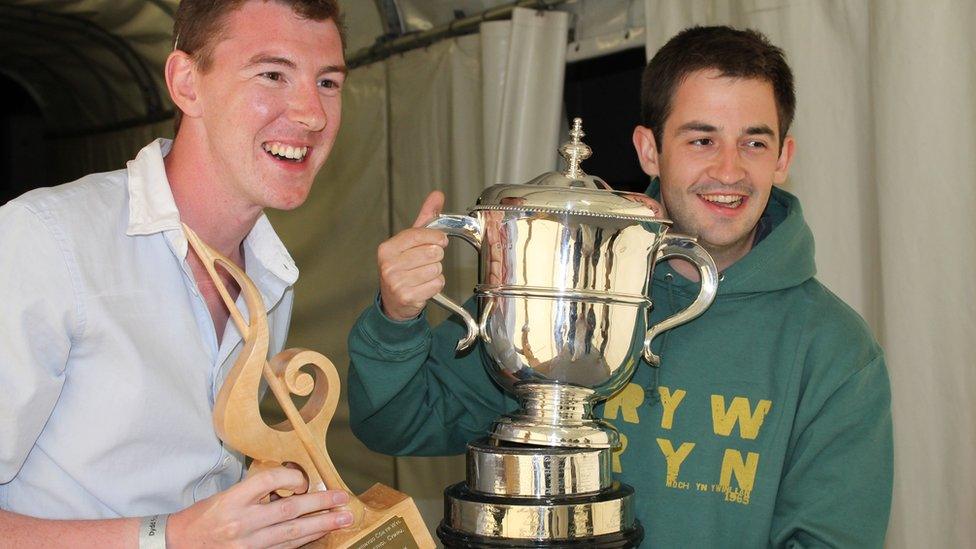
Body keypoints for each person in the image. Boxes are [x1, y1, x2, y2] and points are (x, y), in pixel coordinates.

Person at [347, 25, 893, 547]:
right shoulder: (562, 279)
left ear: (783, 159)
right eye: (702, 139)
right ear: (649, 150)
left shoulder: (836, 350)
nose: (728, 171)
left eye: (753, 143)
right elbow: (393, 425)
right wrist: (396, 318)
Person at [0, 0, 353, 546]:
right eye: (272, 74)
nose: (312, 113)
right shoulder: (47, 240)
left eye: (328, 82)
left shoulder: (271, 277)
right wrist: (163, 538)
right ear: (187, 83)